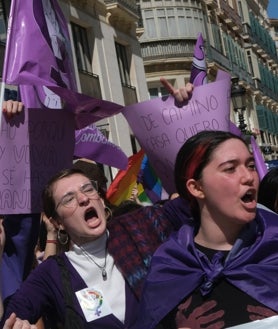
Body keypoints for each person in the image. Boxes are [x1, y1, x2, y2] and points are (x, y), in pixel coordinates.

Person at [136, 130, 278, 329]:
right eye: (230, 169)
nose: (248, 177)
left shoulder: (274, 246)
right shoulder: (169, 265)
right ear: (196, 188)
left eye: (251, 166)